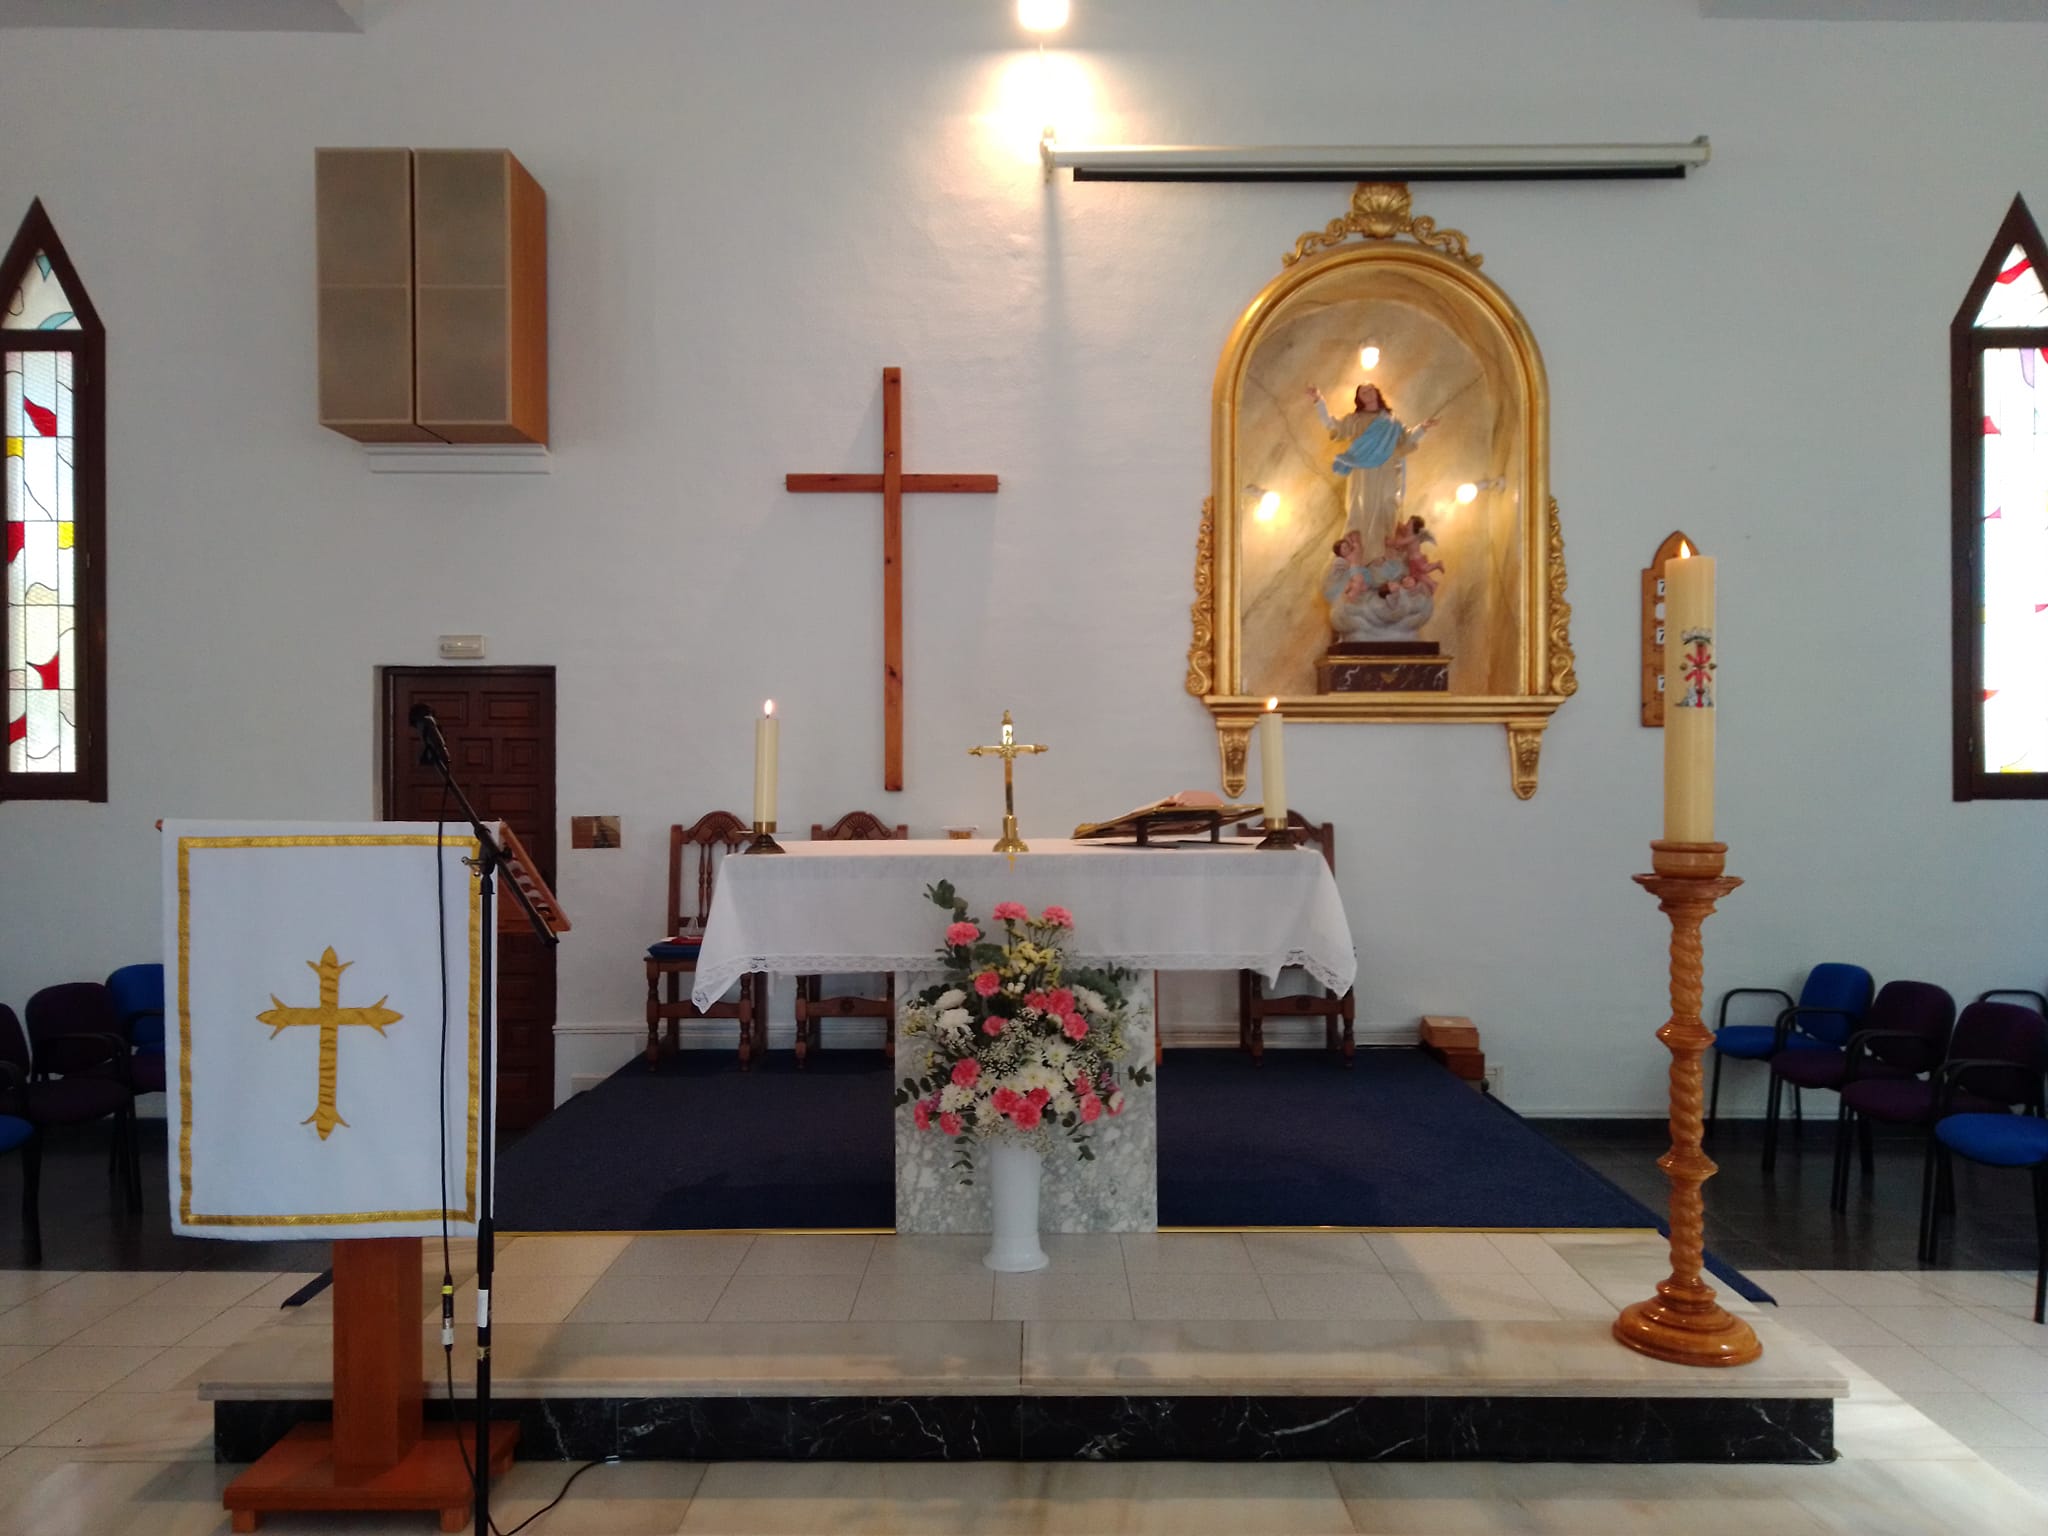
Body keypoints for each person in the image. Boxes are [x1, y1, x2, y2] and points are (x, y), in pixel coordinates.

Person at [1307, 383, 1437, 557]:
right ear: (1359, 398)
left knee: (1387, 505)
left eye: (1370, 390)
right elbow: (1332, 425)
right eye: (1363, 392)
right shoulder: (1355, 420)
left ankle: (1385, 554)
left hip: (1387, 469)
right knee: (1360, 508)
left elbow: (1406, 439)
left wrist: (1423, 428)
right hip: (1362, 471)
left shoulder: (1391, 421)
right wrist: (1318, 401)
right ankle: (1359, 555)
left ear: (1377, 393)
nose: (1367, 393)